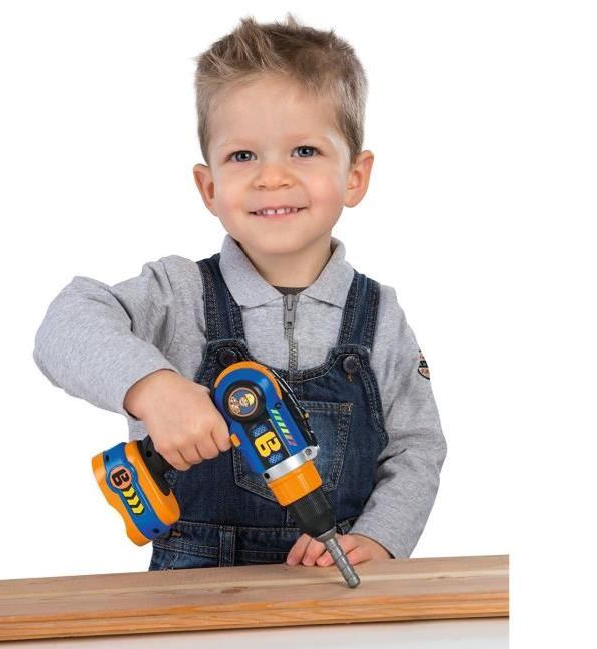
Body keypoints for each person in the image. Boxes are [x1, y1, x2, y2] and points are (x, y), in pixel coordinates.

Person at [33, 13, 447, 571]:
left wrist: (380, 538)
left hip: (329, 584)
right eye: (243, 156)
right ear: (209, 187)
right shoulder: (178, 294)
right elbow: (64, 324)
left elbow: (417, 445)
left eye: (304, 151)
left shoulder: (379, 316)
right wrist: (152, 389)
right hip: (191, 598)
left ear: (355, 176)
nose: (271, 178)